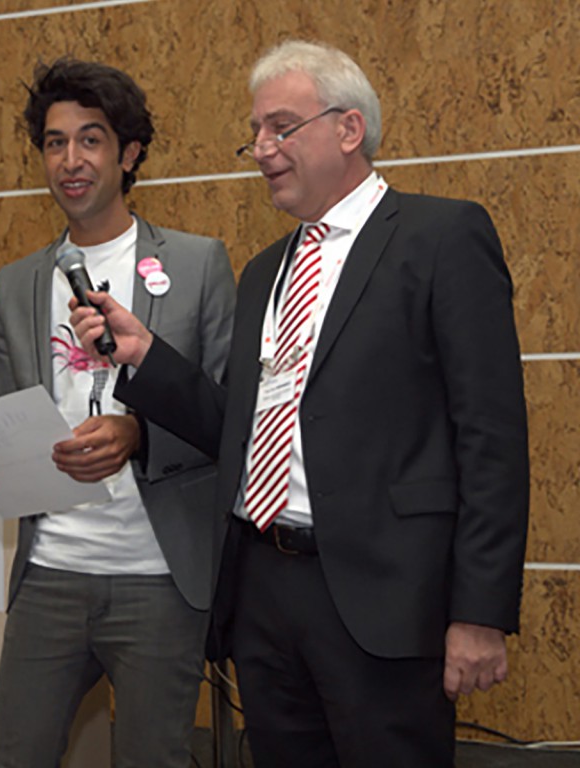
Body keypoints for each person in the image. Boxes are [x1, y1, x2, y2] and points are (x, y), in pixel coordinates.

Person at [70, 40, 529, 768]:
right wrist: (145, 359)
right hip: (265, 595)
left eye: (280, 128)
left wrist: (479, 615)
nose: (260, 148)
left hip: (385, 601)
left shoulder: (441, 238)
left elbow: (492, 439)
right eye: (254, 132)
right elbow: (242, 431)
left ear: (348, 129)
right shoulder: (264, 272)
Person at [0, 58, 235, 767]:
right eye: (54, 142)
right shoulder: (15, 285)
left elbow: (229, 419)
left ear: (129, 154)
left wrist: (138, 434)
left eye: (91, 140)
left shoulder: (197, 265)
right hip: (51, 575)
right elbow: (16, 428)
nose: (70, 160)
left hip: (160, 579)